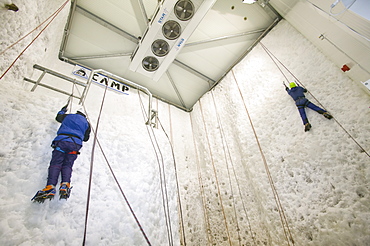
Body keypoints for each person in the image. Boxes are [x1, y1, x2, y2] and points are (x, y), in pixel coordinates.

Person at [32, 105, 91, 202]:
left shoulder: (68, 116)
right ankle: (65, 185)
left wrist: (63, 110)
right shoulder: (86, 123)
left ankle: (50, 186)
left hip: (62, 140)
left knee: (56, 163)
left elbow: (58, 117)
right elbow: (86, 138)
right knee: (68, 164)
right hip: (75, 144)